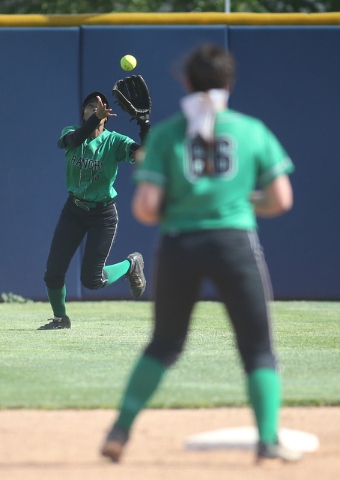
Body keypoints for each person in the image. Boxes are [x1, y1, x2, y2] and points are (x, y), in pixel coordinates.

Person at [100, 44, 302, 463]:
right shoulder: (250, 130)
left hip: (179, 245)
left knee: (164, 345)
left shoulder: (172, 133)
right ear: (229, 82)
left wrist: (183, 205)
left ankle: (119, 430)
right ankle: (267, 440)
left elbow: (145, 209)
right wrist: (244, 200)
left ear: (187, 82)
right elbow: (281, 199)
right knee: (258, 349)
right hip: (234, 244)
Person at [38, 91, 147, 330]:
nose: (96, 108)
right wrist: (92, 120)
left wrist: (144, 125)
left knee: (92, 280)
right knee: (53, 272)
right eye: (90, 105)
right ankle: (60, 319)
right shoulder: (71, 133)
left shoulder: (115, 141)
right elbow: (76, 139)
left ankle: (132, 265)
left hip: (102, 215)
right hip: (73, 210)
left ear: (107, 115)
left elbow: (144, 155)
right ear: (84, 113)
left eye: (101, 106)